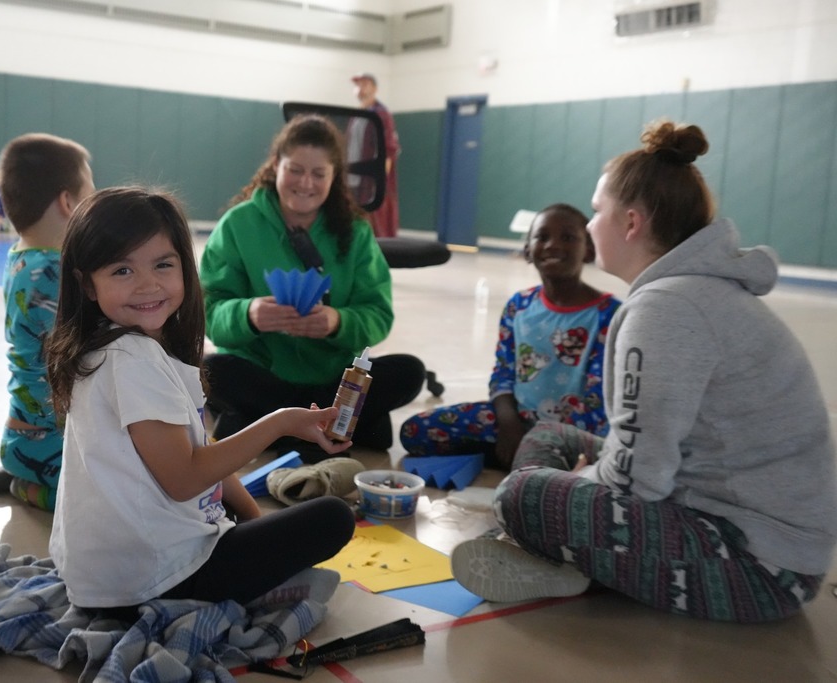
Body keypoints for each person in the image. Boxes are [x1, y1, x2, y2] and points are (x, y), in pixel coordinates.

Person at [451, 120, 837, 623]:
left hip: (759, 567)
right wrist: (583, 478)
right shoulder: (688, 293)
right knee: (551, 436)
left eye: (595, 212)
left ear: (630, 223)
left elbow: (638, 482)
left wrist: (579, 485)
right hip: (719, 513)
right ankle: (556, 552)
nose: (590, 227)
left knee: (521, 494)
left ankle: (546, 548)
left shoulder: (666, 309)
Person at [45, 186, 355, 609]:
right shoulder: (132, 360)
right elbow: (186, 478)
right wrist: (280, 422)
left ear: (184, 268)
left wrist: (251, 519)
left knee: (262, 519)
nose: (148, 284)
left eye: (163, 264)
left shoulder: (120, 347)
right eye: (122, 270)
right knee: (333, 518)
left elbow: (197, 452)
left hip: (111, 574)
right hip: (150, 582)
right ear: (87, 284)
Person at [199, 114, 426, 463]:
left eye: (319, 174)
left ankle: (276, 428)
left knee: (410, 371)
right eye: (295, 169)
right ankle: (336, 426)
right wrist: (249, 314)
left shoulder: (355, 232)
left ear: (334, 177)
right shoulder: (238, 225)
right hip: (264, 375)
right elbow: (209, 313)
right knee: (210, 370)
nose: (305, 183)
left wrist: (338, 322)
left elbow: (378, 315)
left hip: (334, 379)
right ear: (276, 165)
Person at [399, 204, 621, 470]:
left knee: (591, 459)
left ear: (589, 250)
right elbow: (503, 376)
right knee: (415, 431)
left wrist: (544, 438)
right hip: (518, 419)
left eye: (568, 237)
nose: (552, 245)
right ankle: (526, 459)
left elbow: (599, 401)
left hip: (577, 433)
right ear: (527, 251)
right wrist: (509, 425)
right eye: (542, 237)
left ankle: (529, 460)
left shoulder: (608, 315)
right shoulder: (520, 306)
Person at [0, 133, 94, 510]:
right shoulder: (56, 273)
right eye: (93, 190)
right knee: (114, 496)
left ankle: (21, 469)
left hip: (21, 436)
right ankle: (28, 487)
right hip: (55, 444)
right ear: (68, 201)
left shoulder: (20, 257)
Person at [349, 73, 400, 238]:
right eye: (358, 85)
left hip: (370, 182)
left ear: (375, 89)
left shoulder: (381, 114)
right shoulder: (356, 115)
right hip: (353, 179)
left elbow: (388, 149)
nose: (360, 88)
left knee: (374, 226)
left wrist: (379, 181)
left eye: (365, 84)